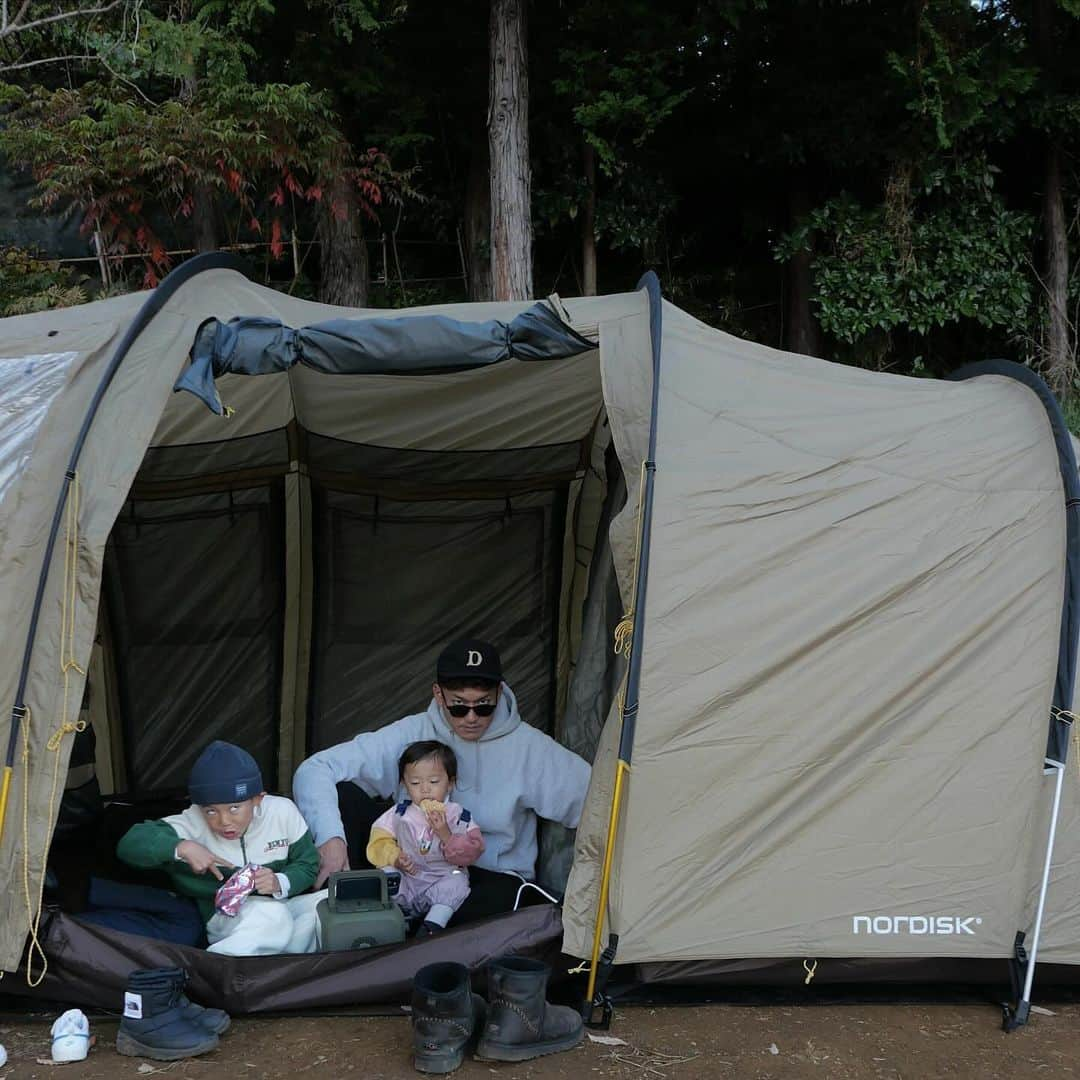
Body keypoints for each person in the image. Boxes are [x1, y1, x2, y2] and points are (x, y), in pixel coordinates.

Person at [293, 638, 591, 923]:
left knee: (507, 907)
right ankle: (366, 923)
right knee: (343, 796)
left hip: (485, 880)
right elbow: (316, 768)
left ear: (500, 692)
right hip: (409, 870)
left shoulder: (531, 748)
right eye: (459, 706)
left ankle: (413, 933)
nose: (471, 717)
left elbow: (602, 801)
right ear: (439, 694)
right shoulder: (413, 732)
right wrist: (331, 839)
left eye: (484, 705)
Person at [117, 741, 323, 955]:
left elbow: (308, 864)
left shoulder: (282, 811)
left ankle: (272, 967)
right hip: (224, 913)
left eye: (235, 808)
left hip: (280, 902)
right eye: (211, 811)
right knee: (274, 918)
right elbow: (129, 844)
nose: (224, 821)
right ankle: (215, 969)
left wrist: (279, 881)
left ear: (257, 799)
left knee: (325, 906)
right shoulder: (192, 820)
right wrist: (181, 846)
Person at [368, 740, 485, 937]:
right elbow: (378, 840)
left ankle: (431, 926)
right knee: (385, 873)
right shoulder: (399, 812)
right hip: (409, 878)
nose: (424, 789)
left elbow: (473, 852)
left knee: (458, 882)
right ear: (404, 784)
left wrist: (446, 834)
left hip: (441, 880)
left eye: (433, 782)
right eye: (415, 783)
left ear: (450, 783)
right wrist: (395, 857)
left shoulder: (459, 816)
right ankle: (392, 921)